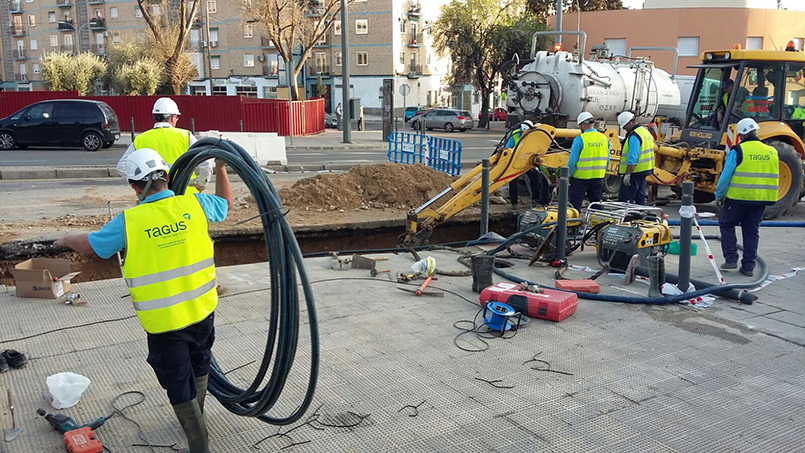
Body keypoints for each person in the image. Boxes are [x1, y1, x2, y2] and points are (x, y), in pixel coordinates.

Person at [54, 148, 234, 453]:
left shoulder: (130, 221)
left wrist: (63, 239)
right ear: (165, 176)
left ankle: (199, 443)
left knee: (178, 384)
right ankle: (197, 420)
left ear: (135, 187)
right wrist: (221, 168)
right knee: (200, 362)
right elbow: (226, 205)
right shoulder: (194, 203)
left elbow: (90, 245)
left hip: (165, 324)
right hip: (203, 312)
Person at [714, 118, 778, 277]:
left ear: (741, 135)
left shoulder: (738, 151)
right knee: (751, 231)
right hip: (761, 200)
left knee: (726, 224)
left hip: (738, 198)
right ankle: (748, 267)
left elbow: (725, 177)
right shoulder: (771, 151)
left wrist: (719, 195)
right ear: (756, 131)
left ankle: (731, 259)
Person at [117, 98, 212, 194]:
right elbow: (206, 161)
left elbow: (121, 167)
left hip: (154, 195)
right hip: (185, 193)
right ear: (172, 117)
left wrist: (141, 185)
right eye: (176, 118)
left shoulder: (141, 139)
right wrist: (202, 183)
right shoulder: (185, 136)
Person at [567, 112, 609, 210]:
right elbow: (607, 160)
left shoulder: (580, 139)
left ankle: (574, 224)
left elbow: (572, 162)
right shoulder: (604, 139)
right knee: (597, 205)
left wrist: (567, 175)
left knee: (575, 206)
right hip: (598, 177)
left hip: (580, 179)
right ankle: (598, 223)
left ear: (582, 124)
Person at [617, 111, 655, 205]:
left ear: (630, 123)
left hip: (634, 172)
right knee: (639, 197)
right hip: (645, 170)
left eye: (624, 126)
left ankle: (629, 217)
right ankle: (639, 216)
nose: (624, 128)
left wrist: (628, 175)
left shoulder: (634, 135)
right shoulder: (645, 132)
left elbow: (632, 157)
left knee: (627, 199)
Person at [505, 120, 542, 209]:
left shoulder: (533, 136)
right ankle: (514, 202)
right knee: (512, 180)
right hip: (515, 162)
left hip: (527, 161)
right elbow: (507, 148)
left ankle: (535, 199)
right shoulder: (514, 135)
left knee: (534, 177)